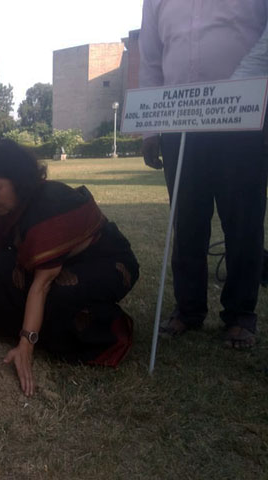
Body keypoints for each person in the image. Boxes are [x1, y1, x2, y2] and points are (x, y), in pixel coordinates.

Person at [0, 140, 139, 396]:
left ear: (18, 179)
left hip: (105, 262)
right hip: (53, 268)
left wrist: (26, 346)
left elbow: (41, 285)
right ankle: (44, 327)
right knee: (0, 270)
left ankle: (108, 326)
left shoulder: (48, 207)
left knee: (58, 295)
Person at [139, 0, 268, 348]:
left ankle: (240, 315)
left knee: (243, 219)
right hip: (179, 121)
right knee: (186, 219)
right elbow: (151, 58)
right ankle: (188, 309)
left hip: (241, 114)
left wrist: (239, 86)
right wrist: (150, 130)